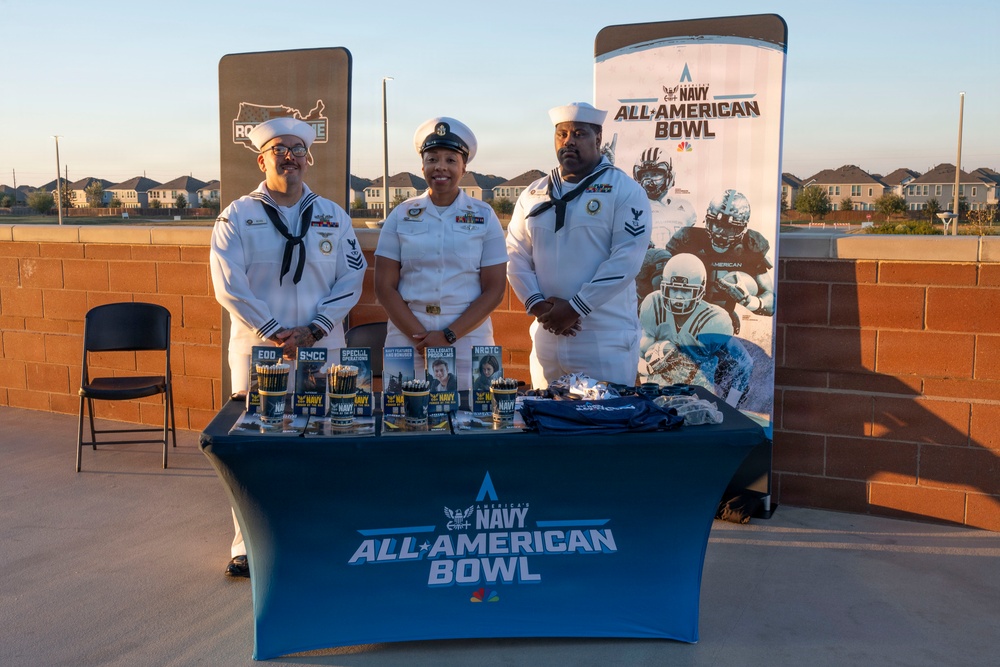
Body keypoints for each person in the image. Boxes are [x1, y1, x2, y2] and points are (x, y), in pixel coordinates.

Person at [210, 116, 366, 578]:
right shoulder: (236, 215)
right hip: (260, 348)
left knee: (326, 436)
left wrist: (314, 329)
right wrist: (276, 330)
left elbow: (352, 276)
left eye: (297, 148)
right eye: (279, 148)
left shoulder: (334, 215)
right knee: (256, 444)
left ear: (307, 158)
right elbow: (227, 284)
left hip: (323, 345)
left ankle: (321, 531)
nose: (289, 156)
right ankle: (247, 542)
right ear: (262, 159)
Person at [506, 102, 651, 388]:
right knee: (545, 424)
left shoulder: (624, 190)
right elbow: (515, 252)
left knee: (603, 426)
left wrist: (575, 308)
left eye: (579, 133)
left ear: (598, 139)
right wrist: (535, 304)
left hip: (603, 338)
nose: (569, 141)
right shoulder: (533, 193)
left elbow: (627, 259)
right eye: (562, 134)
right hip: (547, 333)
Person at [374, 117, 508, 392]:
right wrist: (421, 338)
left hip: (468, 337)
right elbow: (384, 287)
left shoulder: (484, 216)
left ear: (464, 167)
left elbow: (494, 289)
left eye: (450, 160)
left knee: (473, 419)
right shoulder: (400, 215)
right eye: (433, 158)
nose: (441, 167)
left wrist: (448, 336)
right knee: (403, 422)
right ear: (422, 165)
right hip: (407, 336)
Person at [638, 253, 753, 406]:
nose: (678, 297)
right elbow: (640, 352)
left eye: (686, 291)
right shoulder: (653, 305)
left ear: (700, 292)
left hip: (698, 398)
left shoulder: (714, 320)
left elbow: (744, 363)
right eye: (673, 289)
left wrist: (729, 405)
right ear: (664, 287)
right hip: (660, 396)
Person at [664, 188, 774, 334]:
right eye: (716, 224)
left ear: (743, 228)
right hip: (681, 316)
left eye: (729, 228)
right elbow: (660, 284)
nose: (720, 232)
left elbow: (771, 303)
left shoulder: (750, 245)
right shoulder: (688, 239)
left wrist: (749, 301)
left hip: (720, 322)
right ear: (708, 220)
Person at [634, 147, 697, 248]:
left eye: (655, 174)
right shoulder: (634, 208)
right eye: (645, 175)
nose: (650, 180)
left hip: (679, 262)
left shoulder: (686, 207)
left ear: (669, 175)